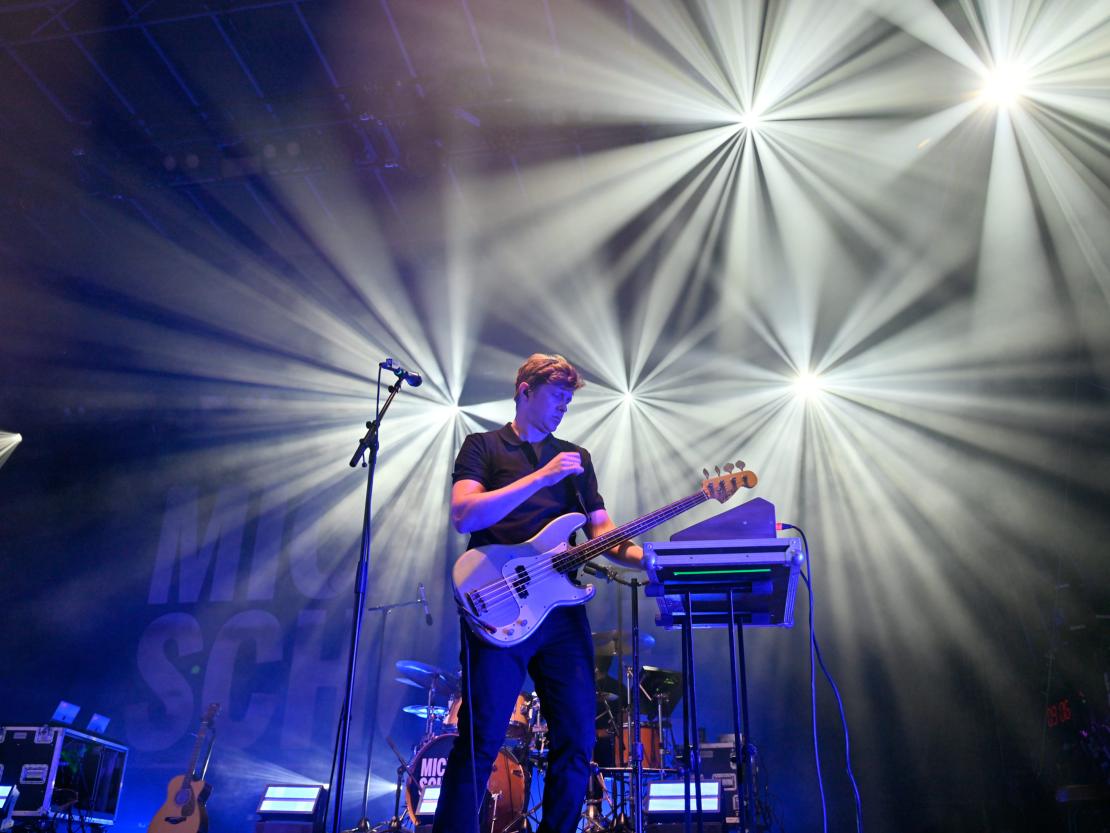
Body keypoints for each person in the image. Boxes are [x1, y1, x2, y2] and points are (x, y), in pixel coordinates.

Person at [433, 353, 643, 833]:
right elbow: (465, 514)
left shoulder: (577, 458)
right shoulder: (483, 446)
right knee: (481, 740)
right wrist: (541, 477)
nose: (564, 407)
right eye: (556, 396)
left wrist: (645, 559)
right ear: (524, 390)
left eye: (569, 400)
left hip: (559, 613)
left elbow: (601, 532)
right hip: (495, 602)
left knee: (577, 739)